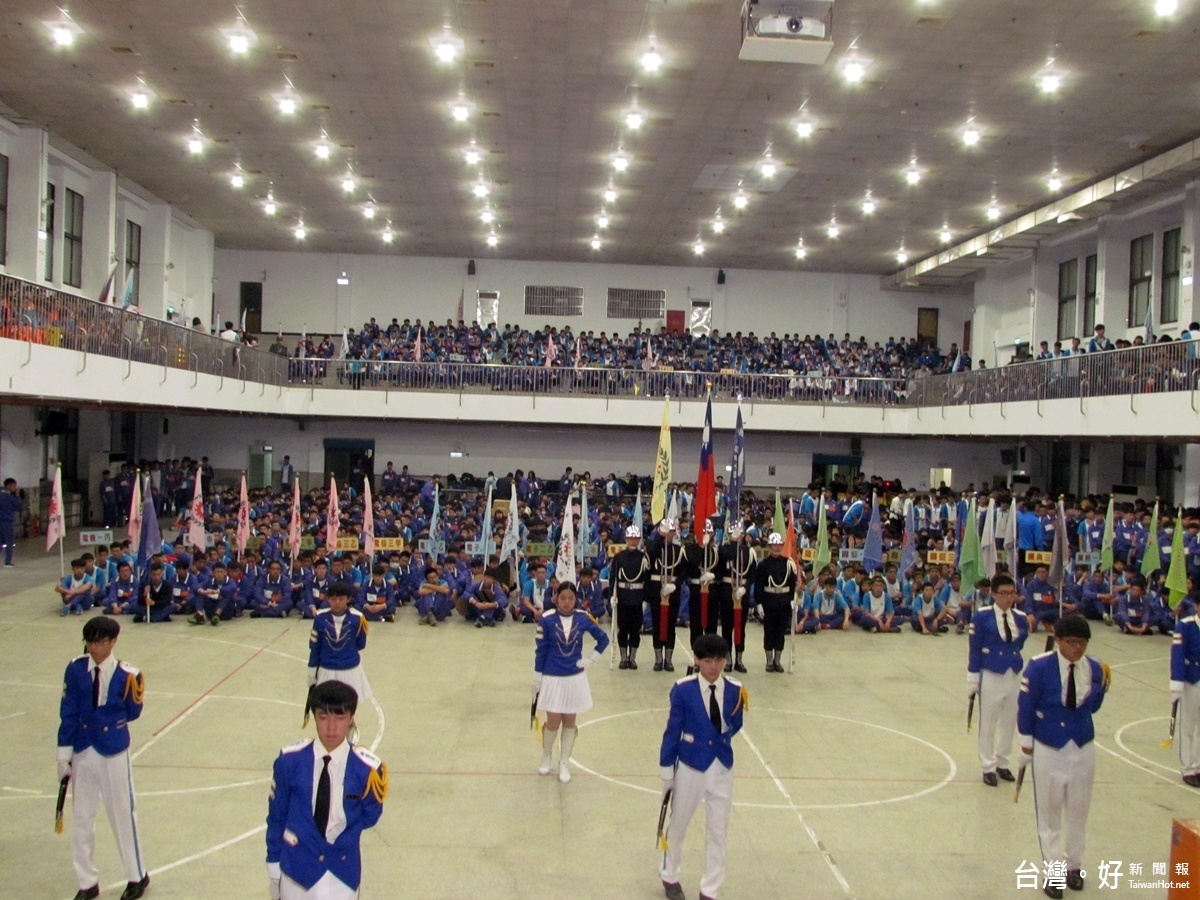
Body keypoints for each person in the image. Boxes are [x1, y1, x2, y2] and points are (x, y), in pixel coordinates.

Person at [1017, 614, 1111, 898]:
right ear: (1057, 641)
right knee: (1050, 812)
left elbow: (1092, 708)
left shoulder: (1094, 669)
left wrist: (1101, 688)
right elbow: (1026, 706)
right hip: (1049, 746)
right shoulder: (1039, 667)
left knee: (1079, 810)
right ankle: (1053, 872)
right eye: (1071, 642)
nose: (1077, 648)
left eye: (1082, 643)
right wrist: (1026, 745)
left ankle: (1074, 865)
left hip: (1082, 746)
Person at [266, 681, 387, 900]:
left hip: (341, 874)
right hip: (296, 872)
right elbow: (277, 815)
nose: (331, 727)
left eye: (340, 718)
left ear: (351, 719)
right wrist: (273, 862)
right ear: (314, 716)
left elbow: (370, 816)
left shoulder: (367, 769)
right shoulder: (290, 762)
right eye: (323, 717)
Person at [57, 615, 150, 900]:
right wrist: (64, 751)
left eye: (99, 641)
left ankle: (137, 876)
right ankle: (87, 881)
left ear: (112, 642)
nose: (93, 647)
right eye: (89, 641)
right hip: (83, 749)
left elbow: (133, 712)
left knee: (122, 813)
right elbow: (68, 710)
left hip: (113, 750)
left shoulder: (128, 674)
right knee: (82, 818)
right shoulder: (75, 669)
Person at [659, 634, 747, 900]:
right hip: (690, 766)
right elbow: (672, 731)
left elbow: (736, 723)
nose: (713, 666)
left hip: (721, 767)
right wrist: (666, 771)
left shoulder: (734, 689)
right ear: (696, 660)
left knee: (718, 830)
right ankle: (669, 874)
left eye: (719, 660)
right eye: (707, 660)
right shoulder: (683, 689)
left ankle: (710, 888)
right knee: (678, 825)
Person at [532, 581, 610, 783]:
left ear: (576, 599)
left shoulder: (583, 618)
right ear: (555, 597)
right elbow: (540, 650)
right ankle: (547, 755)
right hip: (552, 676)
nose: (567, 602)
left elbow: (603, 639)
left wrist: (590, 659)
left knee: (569, 721)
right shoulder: (547, 620)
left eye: (571, 598)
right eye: (563, 598)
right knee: (553, 720)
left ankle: (564, 761)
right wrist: (537, 675)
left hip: (574, 677)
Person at [968, 573, 1029, 787]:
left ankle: (1003, 761)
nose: (1008, 598)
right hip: (991, 672)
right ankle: (988, 765)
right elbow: (975, 649)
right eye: (1003, 593)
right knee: (988, 721)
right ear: (994, 594)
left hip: (1013, 672)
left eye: (1012, 593)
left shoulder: (1020, 618)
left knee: (1009, 720)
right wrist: (973, 678)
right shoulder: (982, 617)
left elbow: (1020, 642)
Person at [308, 583, 372, 701]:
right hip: (326, 670)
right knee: (326, 707)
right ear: (328, 599)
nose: (337, 602)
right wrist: (311, 673)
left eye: (341, 599)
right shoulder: (320, 618)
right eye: (333, 599)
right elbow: (314, 648)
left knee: (348, 708)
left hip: (350, 670)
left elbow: (361, 644)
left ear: (348, 599)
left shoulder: (358, 618)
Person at [754, 533, 797, 672]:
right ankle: (769, 660)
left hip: (784, 602)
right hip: (769, 601)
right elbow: (759, 584)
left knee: (780, 632)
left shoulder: (788, 563)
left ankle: (777, 660)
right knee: (769, 631)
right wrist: (758, 602)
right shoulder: (763, 565)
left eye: (779, 545)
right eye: (774, 545)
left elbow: (793, 584)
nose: (777, 548)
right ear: (770, 546)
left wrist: (792, 600)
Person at [610, 525, 651, 670]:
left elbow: (647, 580)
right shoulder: (619, 557)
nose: (633, 541)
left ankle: (632, 658)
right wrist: (612, 596)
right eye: (631, 538)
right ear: (626, 539)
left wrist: (645, 599)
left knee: (635, 630)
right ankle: (623, 658)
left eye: (636, 538)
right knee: (623, 629)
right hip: (622, 597)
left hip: (637, 598)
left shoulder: (643, 557)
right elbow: (613, 579)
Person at [1170, 600, 1200, 787]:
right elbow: (1178, 654)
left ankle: (1198, 765)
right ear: (1197, 606)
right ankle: (1188, 768)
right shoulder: (1186, 625)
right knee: (1188, 725)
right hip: (1192, 679)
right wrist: (1177, 683)